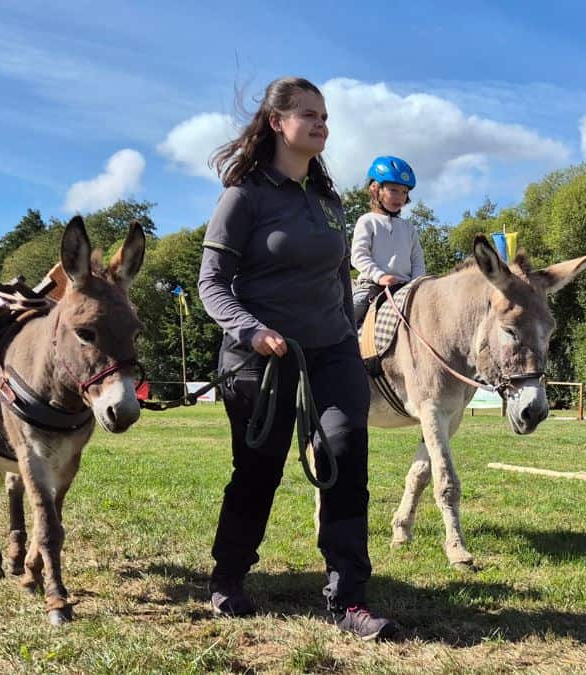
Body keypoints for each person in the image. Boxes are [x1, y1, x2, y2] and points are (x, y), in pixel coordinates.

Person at [197, 76, 397, 640]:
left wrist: (349, 337)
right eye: (309, 114)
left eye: (325, 117)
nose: (321, 124)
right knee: (258, 470)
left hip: (331, 351)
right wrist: (251, 329)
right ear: (277, 122)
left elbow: (339, 281)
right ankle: (229, 577)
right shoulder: (245, 196)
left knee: (345, 455)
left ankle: (349, 598)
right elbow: (211, 283)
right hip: (260, 358)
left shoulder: (330, 203)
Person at [350, 155, 425, 327]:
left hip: (407, 287)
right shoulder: (367, 221)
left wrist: (416, 283)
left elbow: (417, 260)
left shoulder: (409, 228)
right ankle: (340, 350)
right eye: (394, 190)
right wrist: (380, 276)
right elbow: (359, 256)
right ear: (376, 189)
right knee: (350, 313)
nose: (400, 197)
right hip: (373, 286)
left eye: (404, 192)